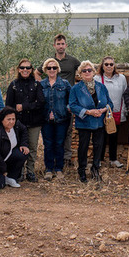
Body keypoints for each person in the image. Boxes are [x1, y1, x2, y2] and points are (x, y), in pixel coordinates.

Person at [68, 60, 113, 183]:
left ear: (93, 72)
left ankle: (95, 169)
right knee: (83, 147)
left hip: (99, 122)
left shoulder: (101, 87)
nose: (87, 72)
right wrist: (88, 112)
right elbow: (72, 105)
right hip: (84, 122)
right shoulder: (76, 89)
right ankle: (82, 170)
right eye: (84, 71)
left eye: (89, 70)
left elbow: (110, 103)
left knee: (98, 147)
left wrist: (103, 109)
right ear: (80, 74)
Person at [38, 34, 79, 166]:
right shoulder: (49, 61)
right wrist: (41, 86)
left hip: (66, 101)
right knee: (49, 138)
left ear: (66, 45)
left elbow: (84, 70)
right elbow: (36, 73)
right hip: (49, 104)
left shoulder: (72, 61)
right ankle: (52, 163)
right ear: (54, 45)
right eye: (58, 44)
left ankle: (65, 159)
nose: (61, 46)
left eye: (63, 44)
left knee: (66, 132)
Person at [5, 58, 45, 182]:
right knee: (18, 147)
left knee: (32, 148)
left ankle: (31, 171)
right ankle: (19, 172)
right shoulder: (14, 85)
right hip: (18, 123)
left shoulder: (37, 84)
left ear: (32, 70)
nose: (25, 70)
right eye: (22, 68)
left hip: (34, 122)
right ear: (19, 69)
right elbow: (9, 105)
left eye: (28, 68)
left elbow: (41, 102)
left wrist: (24, 106)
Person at [39, 57, 72, 179]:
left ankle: (58, 168)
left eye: (54, 67)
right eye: (49, 68)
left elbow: (71, 100)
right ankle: (48, 169)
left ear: (58, 69)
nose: (52, 69)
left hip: (62, 119)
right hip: (46, 119)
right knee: (48, 144)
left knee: (59, 143)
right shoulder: (41, 85)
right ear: (45, 70)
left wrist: (67, 107)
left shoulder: (64, 84)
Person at [96, 56, 126, 169]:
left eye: (111, 64)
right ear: (102, 66)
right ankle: (98, 159)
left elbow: (125, 94)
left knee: (114, 136)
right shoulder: (97, 78)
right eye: (106, 64)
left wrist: (124, 111)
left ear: (114, 66)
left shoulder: (121, 78)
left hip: (116, 112)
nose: (109, 66)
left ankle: (113, 159)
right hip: (101, 113)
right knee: (100, 137)